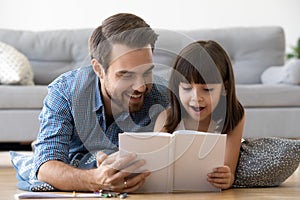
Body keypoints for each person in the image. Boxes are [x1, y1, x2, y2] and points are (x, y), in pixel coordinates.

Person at [31, 13, 169, 192]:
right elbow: (45, 167)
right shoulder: (65, 92)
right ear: (99, 69)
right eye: (126, 75)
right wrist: (95, 179)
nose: (141, 87)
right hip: (75, 163)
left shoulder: (163, 97)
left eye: (146, 72)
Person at [154, 40, 245, 189]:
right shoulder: (167, 118)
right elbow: (157, 168)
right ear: (177, 88)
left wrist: (228, 177)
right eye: (187, 88)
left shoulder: (234, 116)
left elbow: (229, 168)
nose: (196, 98)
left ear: (225, 88)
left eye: (207, 89)